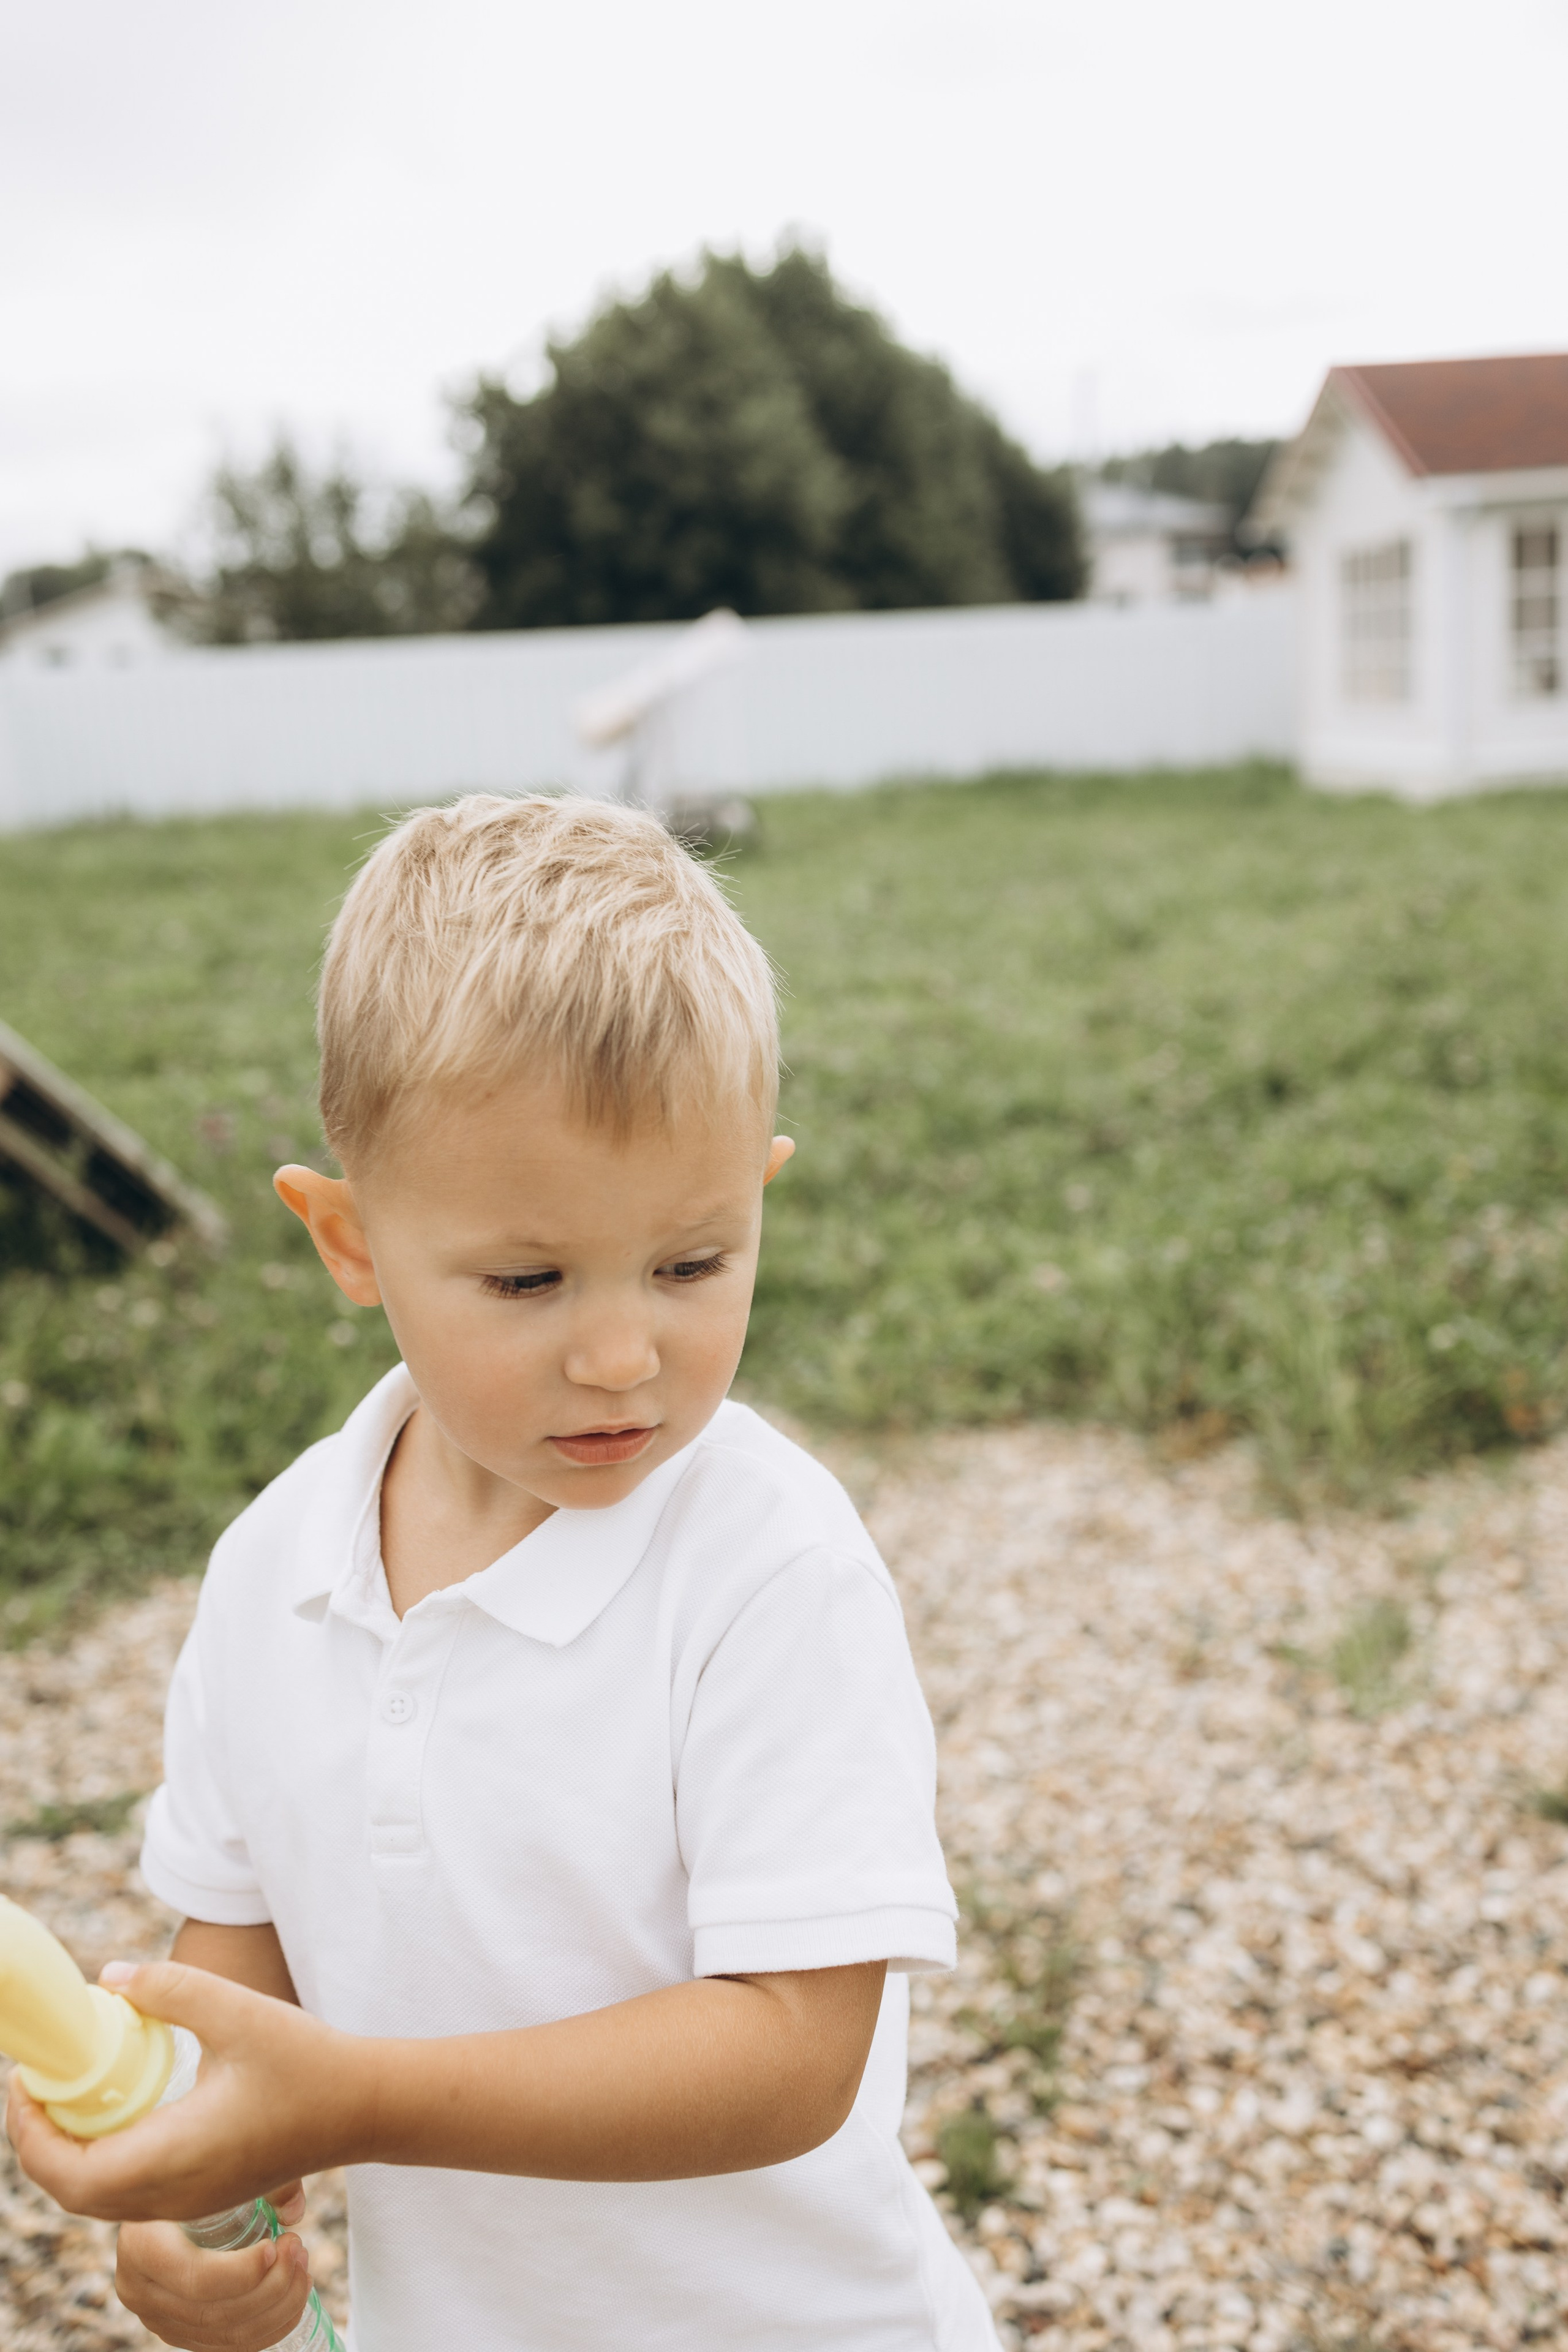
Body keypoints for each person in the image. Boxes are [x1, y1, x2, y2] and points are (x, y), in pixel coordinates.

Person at [8, 794, 1000, 2352]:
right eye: (527, 1280)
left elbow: (793, 2055)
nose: (622, 1354)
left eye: (692, 1261)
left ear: (762, 1188)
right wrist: (186, 2213)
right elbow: (231, 1980)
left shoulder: (766, 1569)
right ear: (349, 1244)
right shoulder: (272, 1574)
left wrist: (363, 2101)